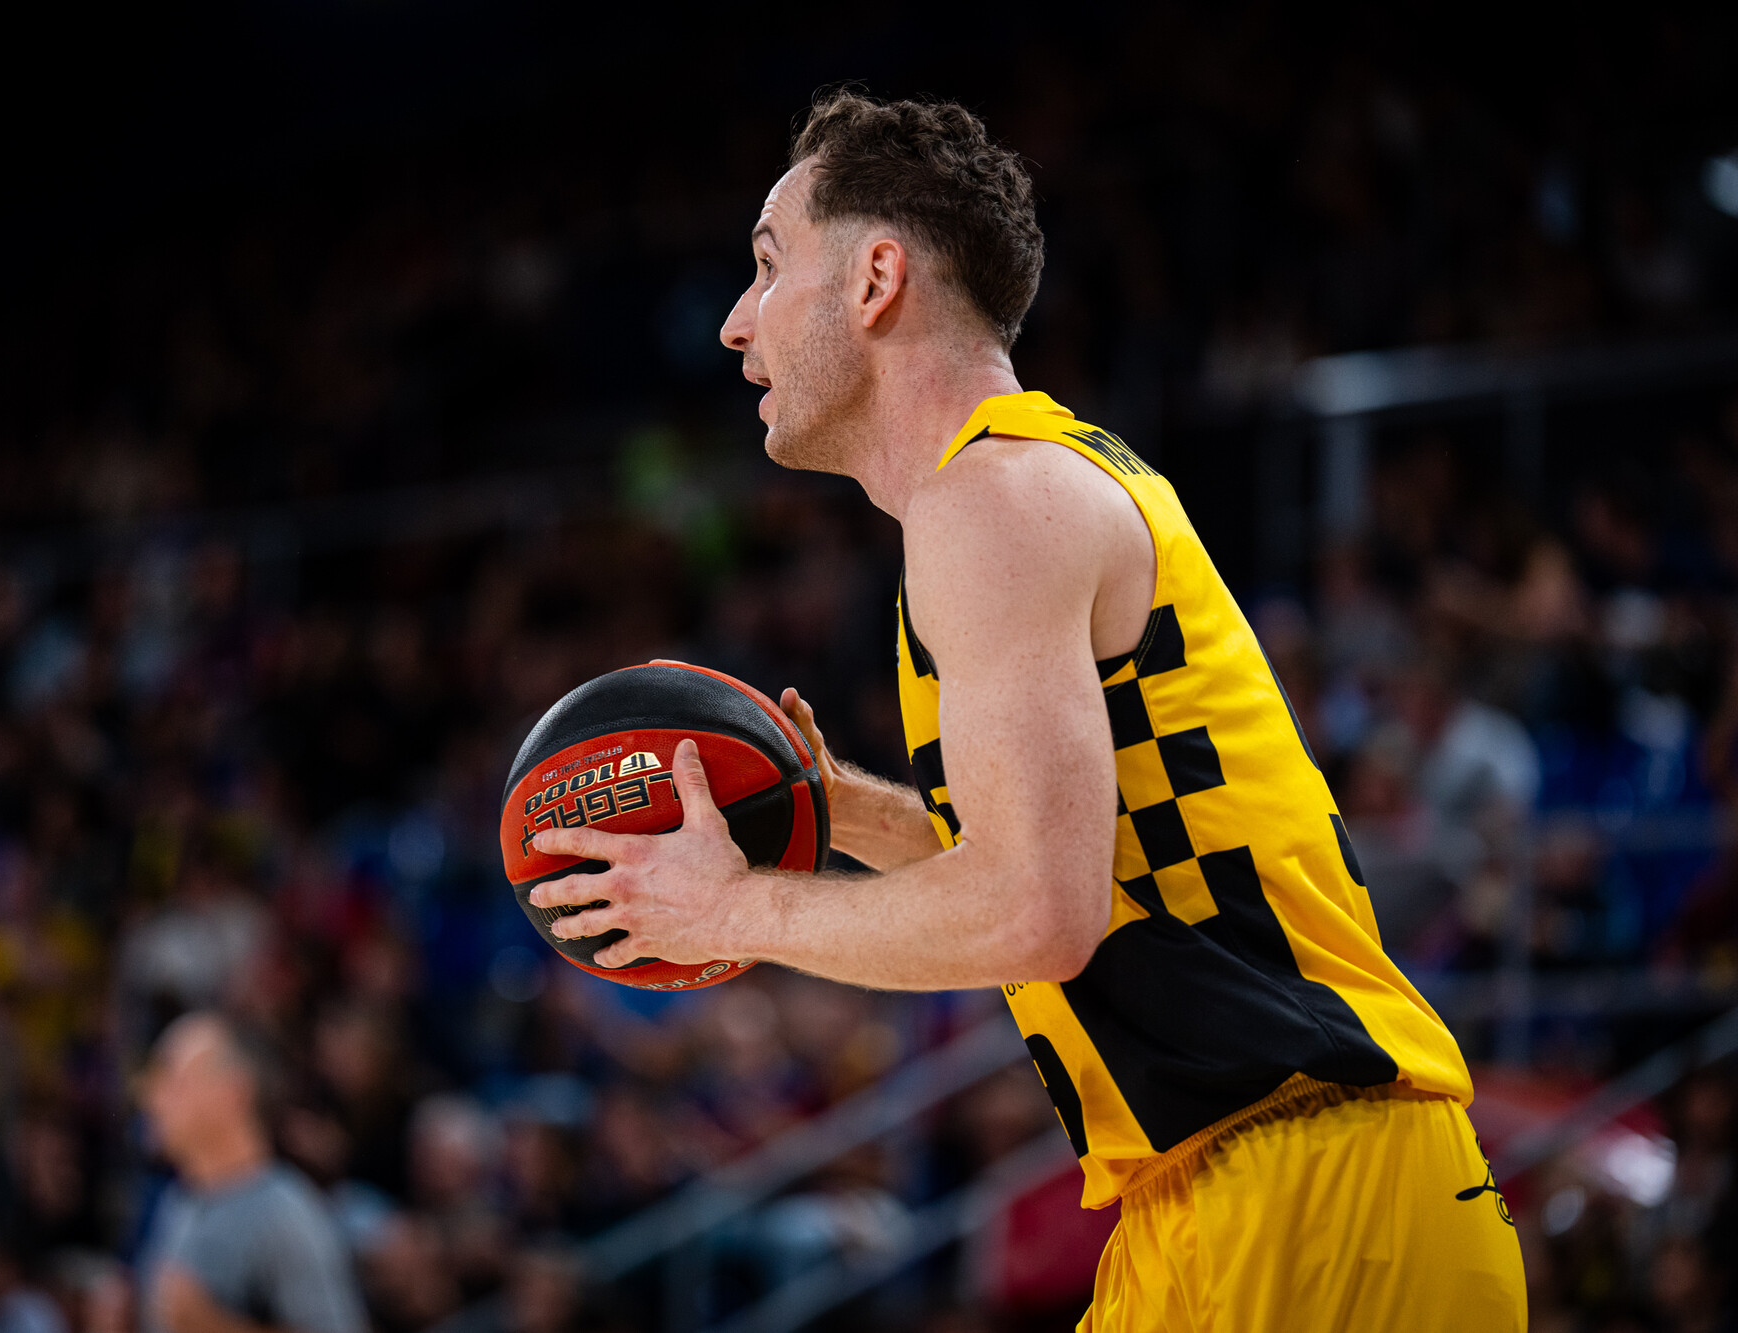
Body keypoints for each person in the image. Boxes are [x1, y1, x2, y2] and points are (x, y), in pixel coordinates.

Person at [527, 91, 1527, 1330]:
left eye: (768, 264)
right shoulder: (1025, 488)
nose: (735, 320)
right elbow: (1070, 870)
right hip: (1226, 1191)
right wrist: (837, 807)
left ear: (875, 279)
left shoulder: (992, 502)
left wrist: (730, 908)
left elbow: (1031, 912)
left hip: (1309, 1188)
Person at [138, 1012, 366, 1333]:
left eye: (173, 1078)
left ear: (234, 1091)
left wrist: (214, 1326)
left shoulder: (284, 1216)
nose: (153, 1096)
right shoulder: (178, 1201)